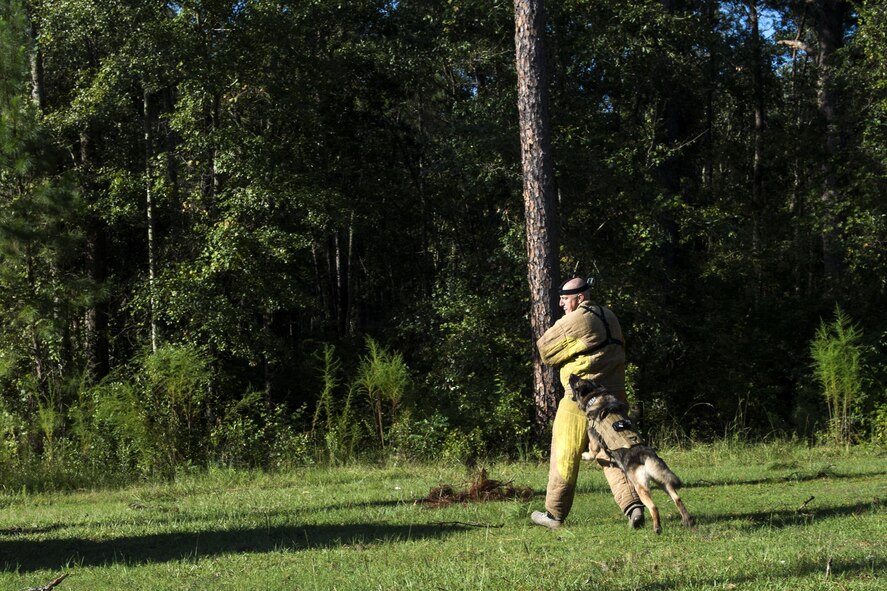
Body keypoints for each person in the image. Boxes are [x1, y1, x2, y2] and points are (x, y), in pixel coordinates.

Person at [530, 277, 645, 529]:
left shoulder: (579, 318)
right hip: (615, 397)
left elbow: (545, 350)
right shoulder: (610, 315)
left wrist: (567, 350)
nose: (561, 303)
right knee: (612, 453)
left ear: (579, 297)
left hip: (580, 398)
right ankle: (633, 505)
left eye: (565, 298)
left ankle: (554, 514)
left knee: (565, 453)